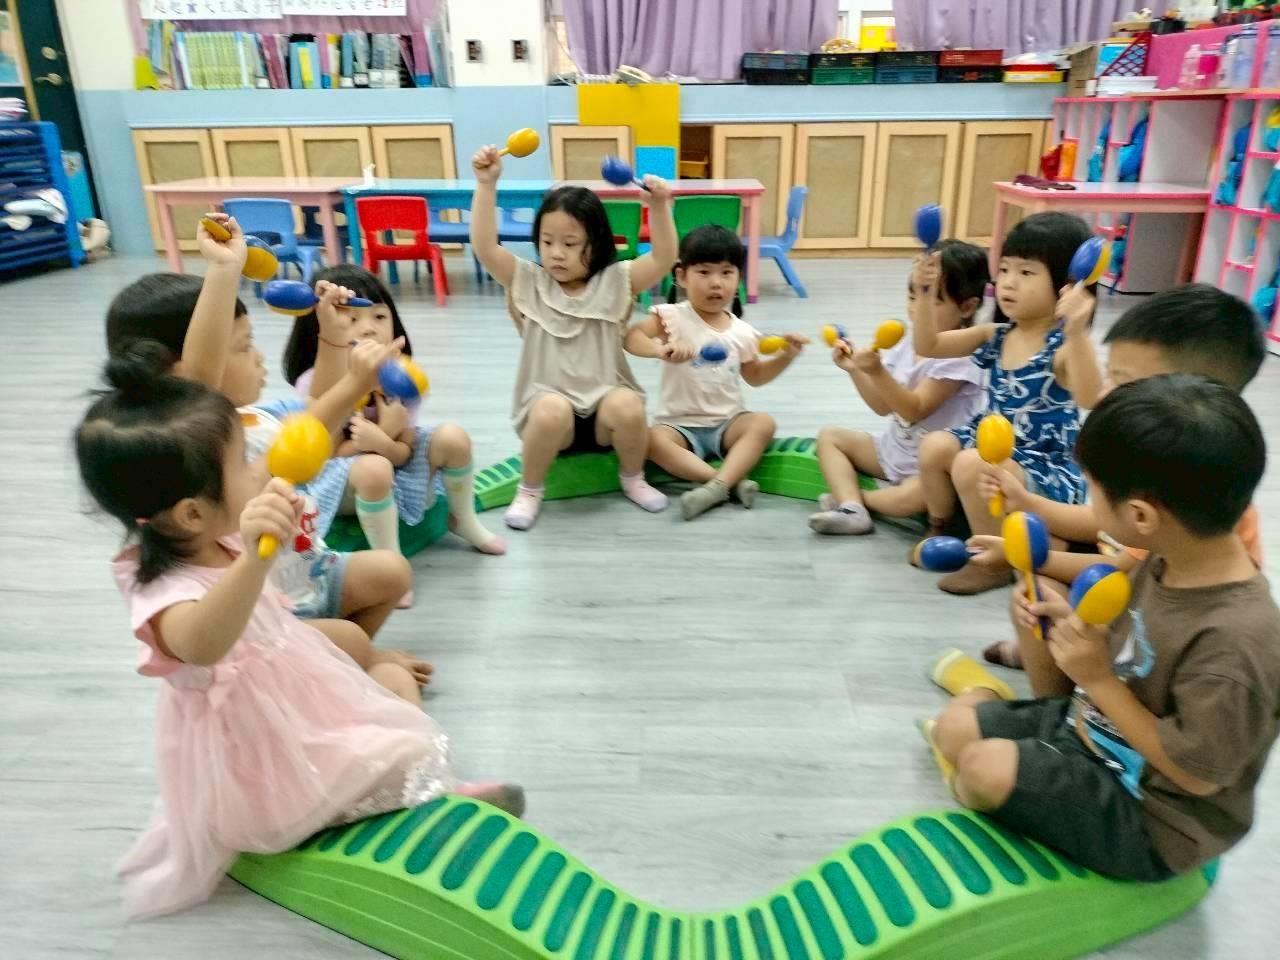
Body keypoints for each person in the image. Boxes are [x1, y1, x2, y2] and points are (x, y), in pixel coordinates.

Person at [77, 351, 524, 919]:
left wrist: (355, 383)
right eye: (243, 463)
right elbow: (202, 644)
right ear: (191, 514)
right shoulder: (164, 586)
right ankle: (419, 801)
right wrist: (254, 559)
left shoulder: (211, 521)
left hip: (293, 688)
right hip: (254, 748)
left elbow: (298, 440)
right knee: (401, 742)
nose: (258, 469)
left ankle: (412, 783)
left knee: (389, 691)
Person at [927, 375, 1280, 882]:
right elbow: (1133, 646)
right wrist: (1070, 623)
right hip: (1088, 727)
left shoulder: (1238, 644)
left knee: (980, 769)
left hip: (1152, 815)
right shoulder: (1162, 556)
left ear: (1141, 515)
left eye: (1091, 489)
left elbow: (1195, 777)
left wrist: (1097, 679)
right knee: (954, 728)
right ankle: (1006, 746)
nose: (1087, 502)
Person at [104, 216, 420, 673]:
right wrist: (223, 272)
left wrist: (334, 341)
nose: (258, 356)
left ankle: (334, 665)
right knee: (353, 643)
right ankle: (340, 663)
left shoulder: (255, 417)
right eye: (242, 346)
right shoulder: (200, 450)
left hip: (308, 570)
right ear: (176, 375)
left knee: (392, 573)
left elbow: (317, 416)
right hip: (267, 606)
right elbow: (201, 381)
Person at [956, 284, 1267, 680]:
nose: (1104, 394)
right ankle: (1048, 658)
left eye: (1123, 381)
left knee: (1040, 581)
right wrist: (1026, 503)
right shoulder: (1155, 456)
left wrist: (1030, 558)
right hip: (1123, 574)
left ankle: (1059, 696)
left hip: (1150, 622)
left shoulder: (1186, 489)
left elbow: (1122, 570)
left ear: (1189, 395)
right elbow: (1103, 521)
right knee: (1039, 559)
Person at [469, 145, 678, 530]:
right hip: (550, 418)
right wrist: (486, 185)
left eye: (569, 244)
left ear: (595, 243)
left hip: (603, 416)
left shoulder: (616, 281)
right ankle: (530, 489)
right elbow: (484, 247)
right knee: (551, 408)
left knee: (629, 405)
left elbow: (663, 259)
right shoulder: (528, 280)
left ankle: (633, 478)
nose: (556, 254)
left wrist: (660, 208)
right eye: (547, 241)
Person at [283, 264, 505, 606]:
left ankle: (462, 519)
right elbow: (323, 457)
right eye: (352, 319)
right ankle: (391, 563)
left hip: (388, 463)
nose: (368, 328)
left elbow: (405, 450)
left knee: (453, 437)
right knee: (375, 468)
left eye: (379, 316)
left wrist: (385, 441)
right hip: (334, 481)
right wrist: (379, 438)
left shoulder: (402, 378)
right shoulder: (315, 381)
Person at [912, 212, 1104, 595]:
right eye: (1004, 269)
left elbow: (1089, 396)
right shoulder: (997, 335)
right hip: (995, 441)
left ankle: (994, 563)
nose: (1008, 282)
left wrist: (1079, 333)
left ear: (1066, 286)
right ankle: (944, 528)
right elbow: (928, 345)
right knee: (934, 446)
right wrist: (924, 291)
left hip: (1041, 462)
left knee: (971, 462)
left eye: (1026, 272)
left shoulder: (1061, 347)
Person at [626, 225, 806, 520]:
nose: (716, 283)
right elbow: (632, 337)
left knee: (763, 423)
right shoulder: (671, 316)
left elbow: (755, 376)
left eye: (726, 273)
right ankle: (723, 483)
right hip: (678, 425)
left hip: (727, 423)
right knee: (649, 440)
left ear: (738, 278)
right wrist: (660, 349)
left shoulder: (743, 331)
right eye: (704, 272)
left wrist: (786, 357)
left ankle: (718, 486)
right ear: (681, 276)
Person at [809, 239, 989, 535]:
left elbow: (915, 409)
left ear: (967, 307)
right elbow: (883, 406)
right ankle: (853, 510)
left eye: (932, 300)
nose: (917, 309)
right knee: (830, 437)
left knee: (920, 495)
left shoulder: (961, 356)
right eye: (913, 296)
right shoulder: (908, 342)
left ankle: (860, 500)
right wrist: (856, 370)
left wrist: (877, 371)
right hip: (892, 450)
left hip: (929, 469)